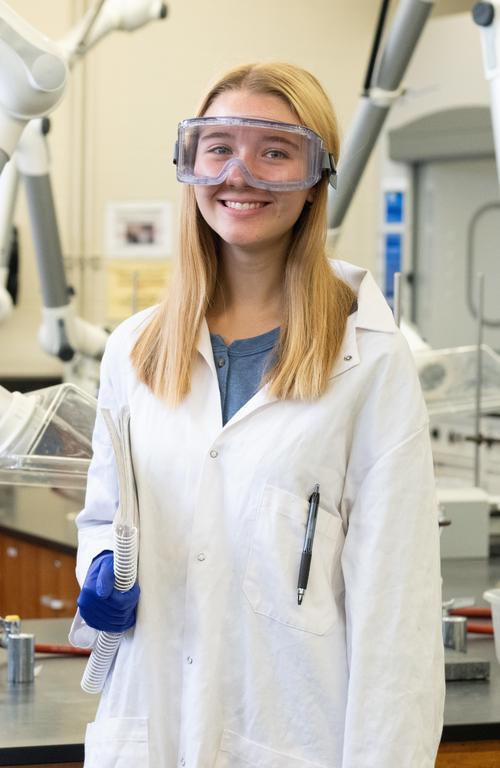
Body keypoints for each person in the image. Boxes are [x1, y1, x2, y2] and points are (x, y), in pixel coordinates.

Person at [70, 62, 445, 768]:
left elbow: (396, 610)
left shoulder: (366, 358)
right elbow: (105, 520)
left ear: (314, 182)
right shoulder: (135, 350)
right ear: (190, 166)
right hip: (148, 733)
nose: (239, 174)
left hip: (291, 737)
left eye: (273, 152)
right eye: (218, 148)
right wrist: (99, 576)